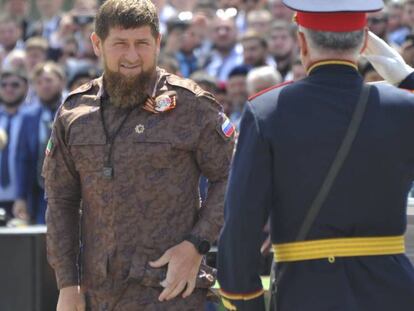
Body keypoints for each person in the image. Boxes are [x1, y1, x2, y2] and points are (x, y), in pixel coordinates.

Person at [217, 0, 414, 310]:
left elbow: (242, 218)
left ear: (301, 42)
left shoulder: (266, 111)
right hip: (390, 290)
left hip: (306, 290)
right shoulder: (404, 108)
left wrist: (244, 297)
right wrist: (407, 79)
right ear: (364, 42)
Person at [42, 0, 234, 310]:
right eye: (120, 44)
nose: (132, 56)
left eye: (142, 43)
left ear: (157, 43)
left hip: (171, 293)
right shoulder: (75, 113)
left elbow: (233, 175)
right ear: (97, 43)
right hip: (99, 296)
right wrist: (67, 284)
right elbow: (60, 199)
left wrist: (196, 245)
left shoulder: (190, 106)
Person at [14, 61, 66, 224]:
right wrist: (20, 197)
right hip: (39, 194)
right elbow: (23, 158)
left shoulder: (72, 111)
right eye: (39, 82)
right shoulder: (28, 116)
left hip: (69, 192)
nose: (44, 86)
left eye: (49, 80)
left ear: (61, 82)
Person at [0, 67, 28, 220]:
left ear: (26, 87)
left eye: (14, 85)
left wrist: (22, 196)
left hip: (23, 199)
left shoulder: (33, 117)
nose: (8, 89)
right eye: (3, 85)